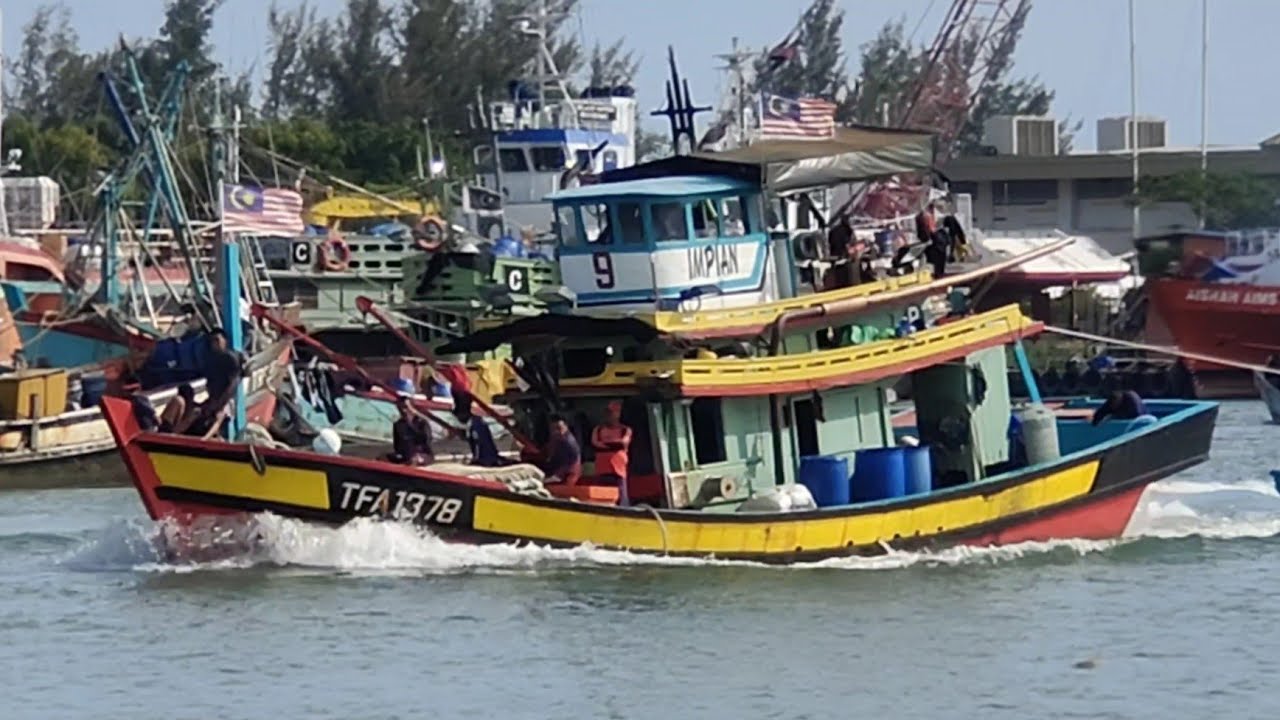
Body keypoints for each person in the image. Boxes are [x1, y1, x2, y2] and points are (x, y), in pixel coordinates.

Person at [195, 328, 245, 437]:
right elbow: (209, 382)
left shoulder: (230, 358)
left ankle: (206, 438)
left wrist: (220, 404)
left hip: (226, 400)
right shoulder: (210, 360)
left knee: (219, 416)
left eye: (217, 340)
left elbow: (233, 384)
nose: (215, 344)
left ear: (225, 341)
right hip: (213, 398)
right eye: (212, 341)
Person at [591, 401, 632, 504]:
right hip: (602, 470)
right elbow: (595, 443)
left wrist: (607, 444)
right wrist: (612, 444)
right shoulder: (598, 429)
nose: (608, 415)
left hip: (618, 470)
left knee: (621, 497)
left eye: (611, 412)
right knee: (601, 497)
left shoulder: (625, 430)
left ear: (618, 414)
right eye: (607, 412)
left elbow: (623, 442)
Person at [455, 395, 503, 467]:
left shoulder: (474, 423)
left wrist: (477, 459)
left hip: (485, 458)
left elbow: (477, 444)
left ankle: (486, 459)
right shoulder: (477, 421)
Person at [391, 396, 434, 466]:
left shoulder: (422, 423)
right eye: (400, 407)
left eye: (405, 407)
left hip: (422, 454)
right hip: (406, 455)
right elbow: (397, 445)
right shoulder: (398, 424)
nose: (403, 410)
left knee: (414, 460)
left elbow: (426, 441)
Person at [541, 414, 581, 485]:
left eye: (559, 428)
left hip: (567, 476)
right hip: (556, 473)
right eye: (553, 429)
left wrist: (556, 476)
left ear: (566, 426)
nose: (556, 432)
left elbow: (571, 462)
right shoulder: (556, 440)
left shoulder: (569, 442)